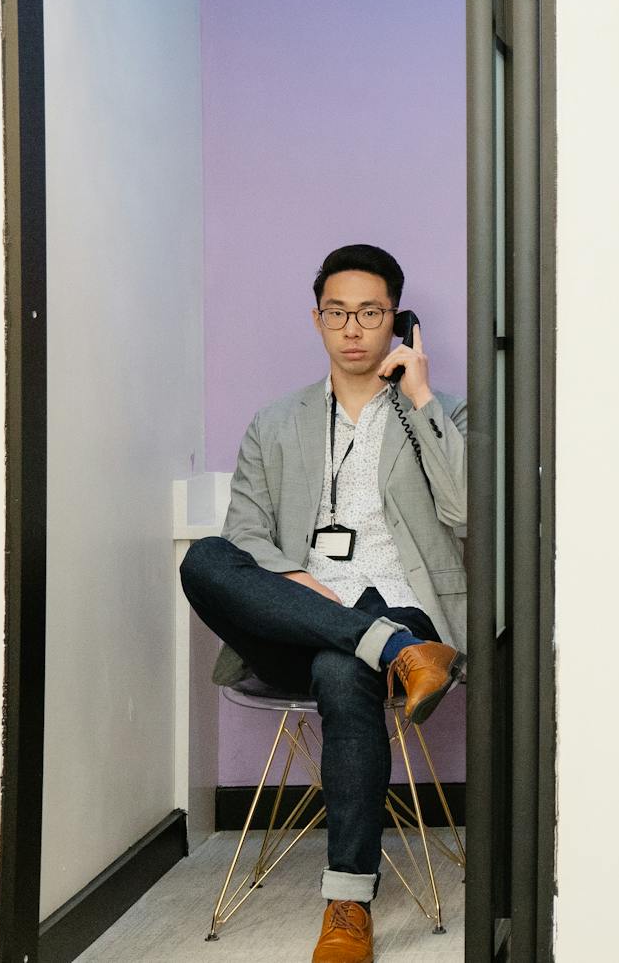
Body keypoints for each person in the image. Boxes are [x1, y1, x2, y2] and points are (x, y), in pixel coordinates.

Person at [180, 244, 469, 963]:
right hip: (300, 613)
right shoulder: (275, 422)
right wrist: (295, 582)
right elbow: (243, 535)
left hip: (404, 605)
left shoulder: (439, 412)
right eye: (337, 312)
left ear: (396, 320)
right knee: (204, 559)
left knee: (345, 674)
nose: (353, 328)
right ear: (316, 319)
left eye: (370, 312)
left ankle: (347, 902)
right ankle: (394, 653)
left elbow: (467, 510)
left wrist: (425, 397)